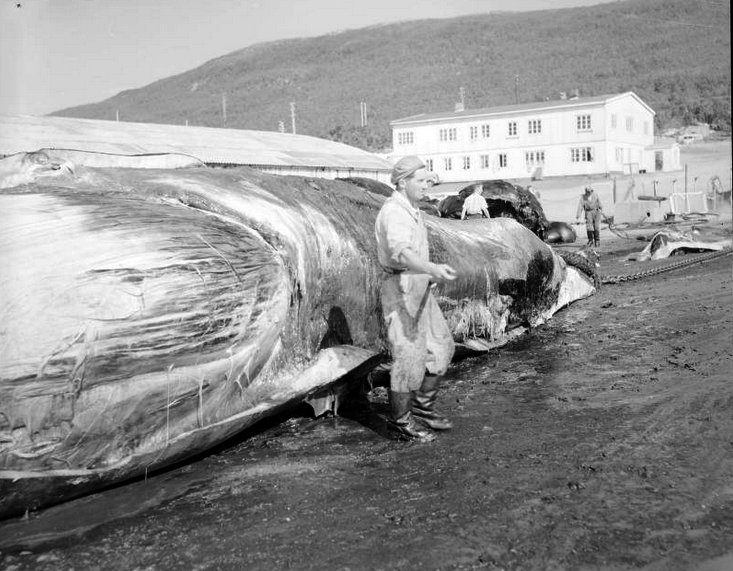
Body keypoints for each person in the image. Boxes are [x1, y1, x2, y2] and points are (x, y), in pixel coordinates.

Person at [375, 156, 458, 442]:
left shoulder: (412, 208)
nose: (427, 186)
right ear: (402, 182)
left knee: (441, 346)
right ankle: (401, 421)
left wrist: (427, 275)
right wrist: (431, 268)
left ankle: (422, 409)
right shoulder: (395, 212)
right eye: (421, 181)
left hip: (418, 282)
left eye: (428, 181)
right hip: (400, 287)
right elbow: (400, 252)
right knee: (409, 355)